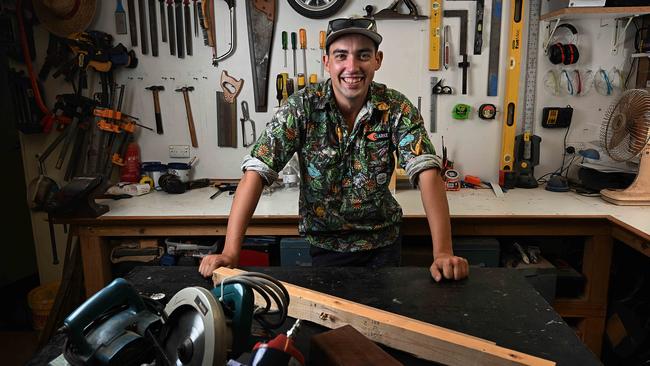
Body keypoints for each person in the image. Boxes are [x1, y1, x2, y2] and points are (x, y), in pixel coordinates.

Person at [200, 17, 469, 281]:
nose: (352, 67)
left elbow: (427, 172)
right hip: (325, 248)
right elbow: (256, 172)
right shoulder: (301, 107)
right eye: (341, 56)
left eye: (363, 55)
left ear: (378, 60)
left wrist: (443, 252)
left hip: (383, 244)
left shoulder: (397, 108)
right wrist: (231, 252)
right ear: (327, 62)